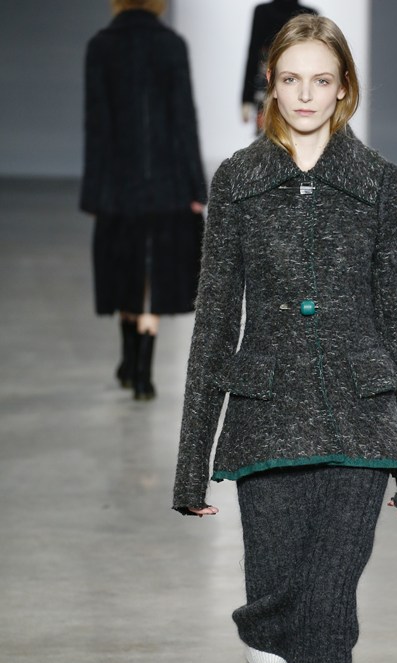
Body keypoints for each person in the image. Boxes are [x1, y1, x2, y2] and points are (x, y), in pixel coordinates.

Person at [174, 15, 397, 663]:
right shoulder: (239, 180)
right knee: (276, 597)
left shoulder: (378, 182)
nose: (307, 95)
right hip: (265, 418)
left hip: (362, 420)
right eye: (292, 79)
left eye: (323, 79)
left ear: (344, 86)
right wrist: (191, 462)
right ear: (271, 85)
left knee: (327, 604)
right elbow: (215, 322)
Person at [80, 0, 207, 401]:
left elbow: (96, 126)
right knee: (155, 272)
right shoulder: (171, 44)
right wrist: (196, 187)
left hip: (118, 185)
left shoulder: (100, 46)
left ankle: (129, 360)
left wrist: (94, 193)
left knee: (125, 267)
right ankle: (143, 375)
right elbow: (184, 120)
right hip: (167, 185)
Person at [241, 0, 317, 134]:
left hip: (300, 85)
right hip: (267, 86)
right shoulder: (262, 12)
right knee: (268, 138)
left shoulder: (309, 13)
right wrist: (247, 97)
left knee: (298, 133)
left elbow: (316, 60)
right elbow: (253, 54)